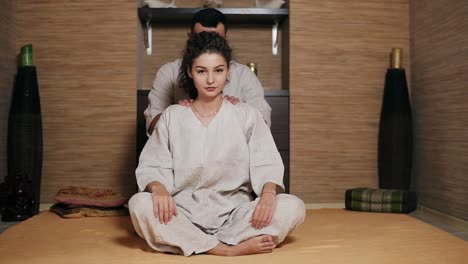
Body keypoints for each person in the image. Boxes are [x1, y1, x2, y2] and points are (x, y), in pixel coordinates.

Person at [129, 32, 305, 257]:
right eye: (202, 71)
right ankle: (225, 249)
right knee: (139, 204)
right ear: (190, 73)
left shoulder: (247, 115)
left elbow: (267, 161)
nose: (211, 80)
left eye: (218, 70)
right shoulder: (172, 116)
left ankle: (195, 242)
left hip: (235, 214)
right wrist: (159, 189)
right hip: (181, 212)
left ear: (228, 72)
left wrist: (269, 195)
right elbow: (152, 165)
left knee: (293, 206)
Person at [144, 8, 272, 136]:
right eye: (202, 39)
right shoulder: (168, 73)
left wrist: (241, 112)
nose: (208, 46)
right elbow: (152, 125)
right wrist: (179, 113)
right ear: (189, 72)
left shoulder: (244, 75)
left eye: (216, 40)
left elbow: (263, 128)